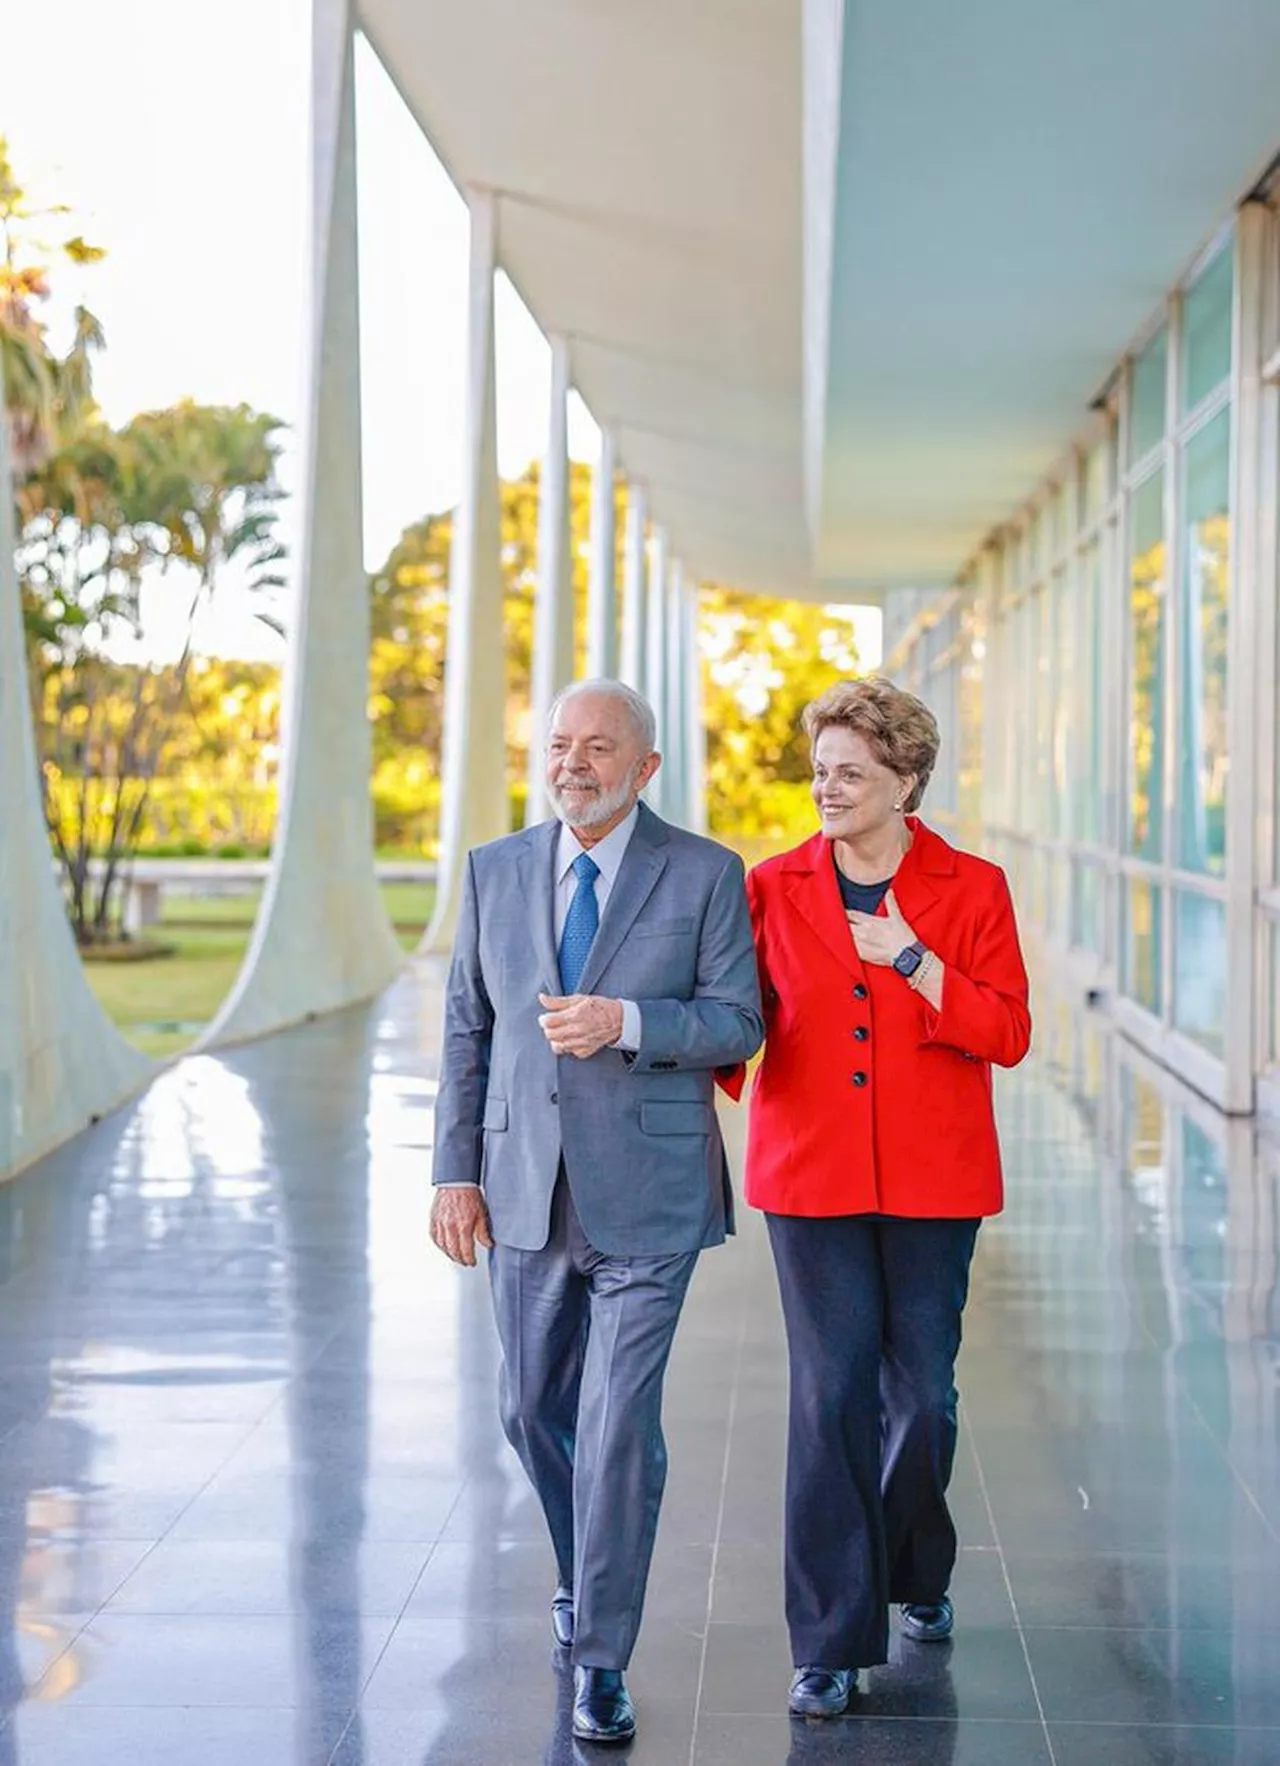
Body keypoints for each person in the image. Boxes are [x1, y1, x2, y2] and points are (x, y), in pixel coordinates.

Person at [429, 679, 763, 1746]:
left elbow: (734, 1021)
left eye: (598, 746)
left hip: (651, 1194)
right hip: (522, 1186)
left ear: (643, 767)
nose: (572, 761)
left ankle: (601, 1654)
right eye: (558, 742)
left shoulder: (706, 873)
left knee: (617, 1424)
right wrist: (453, 1171)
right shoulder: (492, 870)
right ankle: (584, 1571)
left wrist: (623, 1019)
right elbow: (465, 1033)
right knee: (529, 1408)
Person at [730, 676, 1030, 1718]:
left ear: (905, 779)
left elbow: (1005, 1031)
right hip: (808, 1177)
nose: (827, 788)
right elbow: (735, 1018)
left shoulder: (972, 886)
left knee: (921, 1396)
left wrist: (912, 958)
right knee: (828, 1395)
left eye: (850, 772)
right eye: (819, 771)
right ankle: (825, 1637)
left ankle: (916, 1558)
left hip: (934, 1179)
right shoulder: (768, 886)